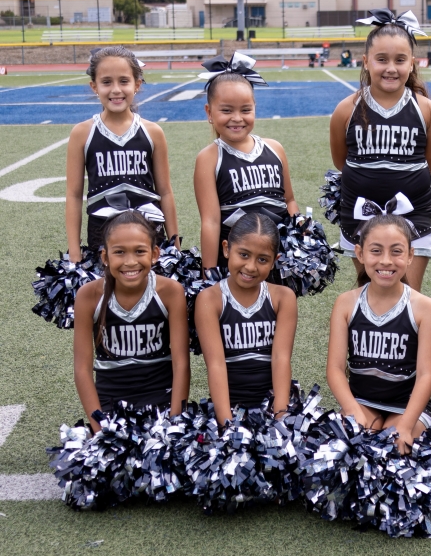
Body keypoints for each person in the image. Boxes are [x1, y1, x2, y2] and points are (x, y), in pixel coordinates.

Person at [330, 8, 431, 292]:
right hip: (360, 214)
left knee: (409, 299)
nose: (391, 68)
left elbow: (428, 166)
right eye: (381, 59)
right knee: (370, 295)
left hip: (414, 214)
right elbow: (341, 162)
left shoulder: (426, 110)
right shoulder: (346, 108)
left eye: (400, 60)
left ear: (412, 64)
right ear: (366, 62)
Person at [326, 214, 431, 454]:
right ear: (360, 254)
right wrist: (352, 410)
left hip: (407, 408)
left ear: (410, 255)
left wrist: (407, 426)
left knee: (392, 449)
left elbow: (426, 375)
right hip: (362, 402)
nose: (386, 261)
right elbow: (335, 369)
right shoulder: (346, 303)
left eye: (396, 251)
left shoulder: (424, 307)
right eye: (376, 251)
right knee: (352, 447)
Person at [73, 211, 190, 436]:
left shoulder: (170, 292)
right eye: (119, 252)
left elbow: (181, 364)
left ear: (155, 254)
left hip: (161, 403)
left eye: (139, 251)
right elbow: (82, 370)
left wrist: (175, 423)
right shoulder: (88, 295)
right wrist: (101, 429)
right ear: (105, 257)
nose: (130, 262)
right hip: (111, 405)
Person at [66, 46, 179, 261]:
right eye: (107, 82)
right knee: (107, 291)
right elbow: (73, 195)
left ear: (137, 84)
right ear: (94, 87)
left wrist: (174, 243)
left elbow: (165, 192)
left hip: (149, 227)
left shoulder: (153, 132)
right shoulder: (82, 133)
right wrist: (74, 250)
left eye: (124, 81)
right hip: (102, 230)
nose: (116, 89)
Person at [194, 53, 299, 271]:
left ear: (255, 108)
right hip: (236, 262)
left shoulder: (275, 149)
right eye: (226, 110)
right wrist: (209, 274)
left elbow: (289, 201)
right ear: (209, 112)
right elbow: (211, 222)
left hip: (276, 260)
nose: (237, 118)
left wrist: (298, 246)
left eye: (245, 110)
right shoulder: (210, 157)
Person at [194, 212, 297, 423]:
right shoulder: (209, 299)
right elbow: (216, 365)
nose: (251, 266)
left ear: (274, 261)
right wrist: (226, 423)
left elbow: (280, 359)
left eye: (262, 259)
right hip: (228, 408)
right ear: (226, 249)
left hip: (272, 405)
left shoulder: (283, 298)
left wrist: (280, 415)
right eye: (243, 254)